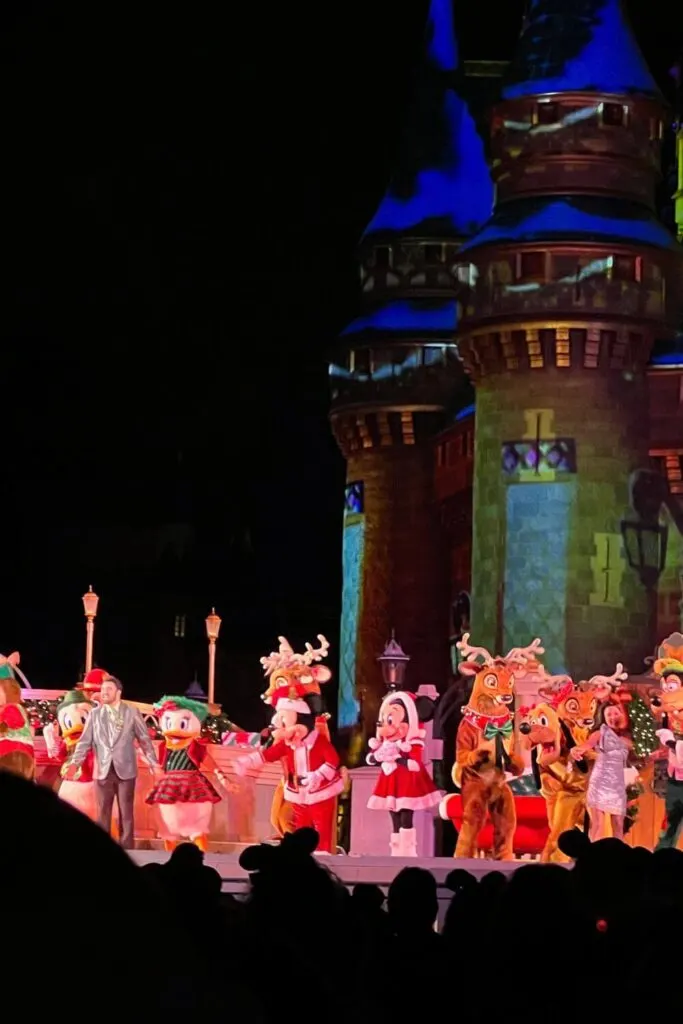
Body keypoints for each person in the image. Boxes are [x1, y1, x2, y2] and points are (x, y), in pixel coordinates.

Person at [71, 673, 162, 848]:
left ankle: (127, 848)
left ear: (118, 692)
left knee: (126, 812)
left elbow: (144, 740)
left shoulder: (132, 712)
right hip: (102, 770)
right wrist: (75, 763)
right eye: (103, 689)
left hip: (126, 770)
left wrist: (153, 763)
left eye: (109, 689)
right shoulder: (95, 714)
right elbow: (84, 741)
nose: (104, 692)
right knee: (103, 812)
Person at [573, 694, 632, 841]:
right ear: (604, 718)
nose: (612, 717)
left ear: (621, 714)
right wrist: (578, 750)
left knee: (618, 824)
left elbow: (638, 755)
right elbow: (587, 745)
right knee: (598, 824)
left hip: (617, 785)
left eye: (615, 713)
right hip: (600, 783)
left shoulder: (628, 738)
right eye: (608, 714)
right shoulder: (601, 733)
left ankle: (618, 857)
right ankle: (592, 856)